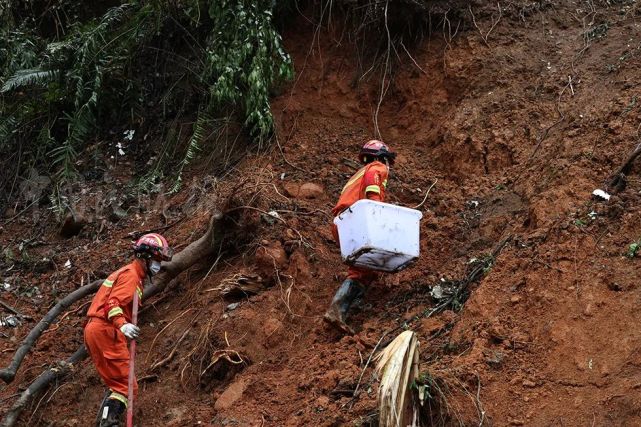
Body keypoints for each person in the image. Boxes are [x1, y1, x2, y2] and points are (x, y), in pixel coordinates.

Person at [84, 233, 172, 427]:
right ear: (146, 256)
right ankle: (108, 423)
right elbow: (112, 303)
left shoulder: (128, 273)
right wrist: (122, 324)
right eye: (157, 259)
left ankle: (105, 419)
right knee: (127, 386)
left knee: (117, 385)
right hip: (107, 330)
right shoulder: (131, 276)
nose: (159, 265)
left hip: (97, 330)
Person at [324, 140, 396, 334]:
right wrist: (376, 207)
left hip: (341, 223)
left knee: (363, 268)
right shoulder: (377, 167)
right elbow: (374, 183)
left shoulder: (356, 175)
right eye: (387, 160)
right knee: (362, 268)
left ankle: (344, 311)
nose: (388, 165)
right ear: (380, 157)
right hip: (356, 220)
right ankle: (337, 310)